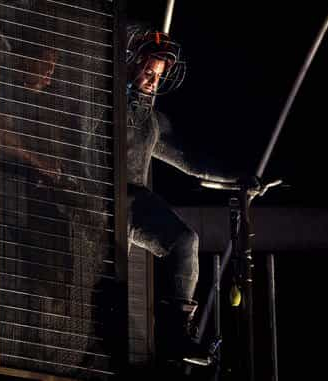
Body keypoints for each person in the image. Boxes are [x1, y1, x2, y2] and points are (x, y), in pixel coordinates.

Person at [125, 23, 254, 366]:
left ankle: (177, 334)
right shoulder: (102, 100)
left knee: (184, 241)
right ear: (130, 63)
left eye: (158, 75)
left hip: (132, 200)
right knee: (109, 273)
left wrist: (239, 178)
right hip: (101, 194)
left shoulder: (149, 120)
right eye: (148, 71)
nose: (153, 80)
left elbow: (191, 160)